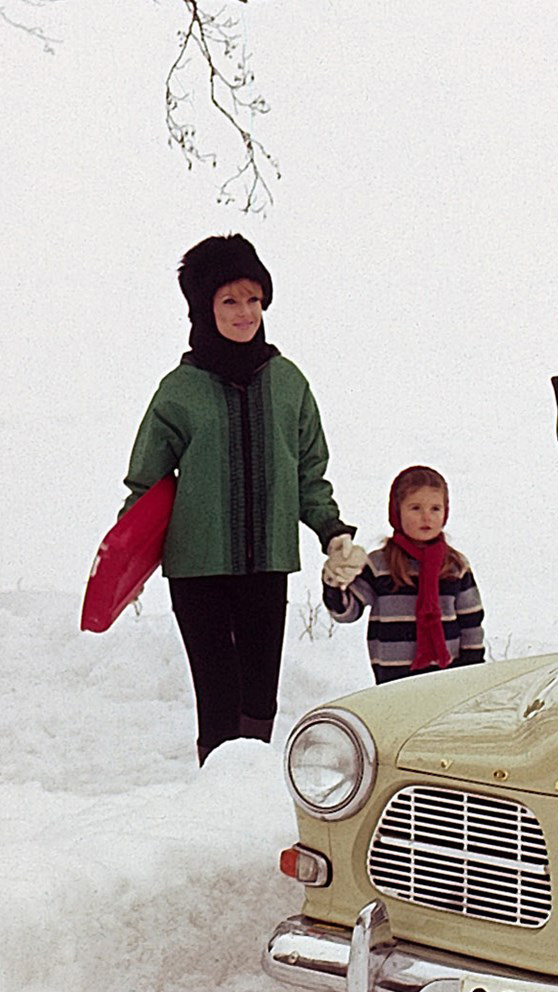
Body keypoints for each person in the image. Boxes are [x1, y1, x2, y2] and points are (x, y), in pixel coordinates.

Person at [121, 233, 366, 764]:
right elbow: (146, 484)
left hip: (267, 564)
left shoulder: (288, 383)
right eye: (230, 300)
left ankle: (247, 801)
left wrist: (332, 529)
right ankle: (215, 801)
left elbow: (309, 472)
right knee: (218, 700)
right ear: (204, 308)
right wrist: (126, 560)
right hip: (198, 569)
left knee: (259, 699)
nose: (245, 312)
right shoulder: (178, 391)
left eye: (254, 299)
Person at [322, 465, 486, 682]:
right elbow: (348, 612)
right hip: (394, 678)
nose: (426, 517)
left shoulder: (455, 566)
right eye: (416, 508)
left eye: (435, 509)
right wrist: (334, 584)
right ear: (397, 512)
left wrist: (472, 670)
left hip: (447, 678)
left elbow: (471, 622)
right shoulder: (379, 564)